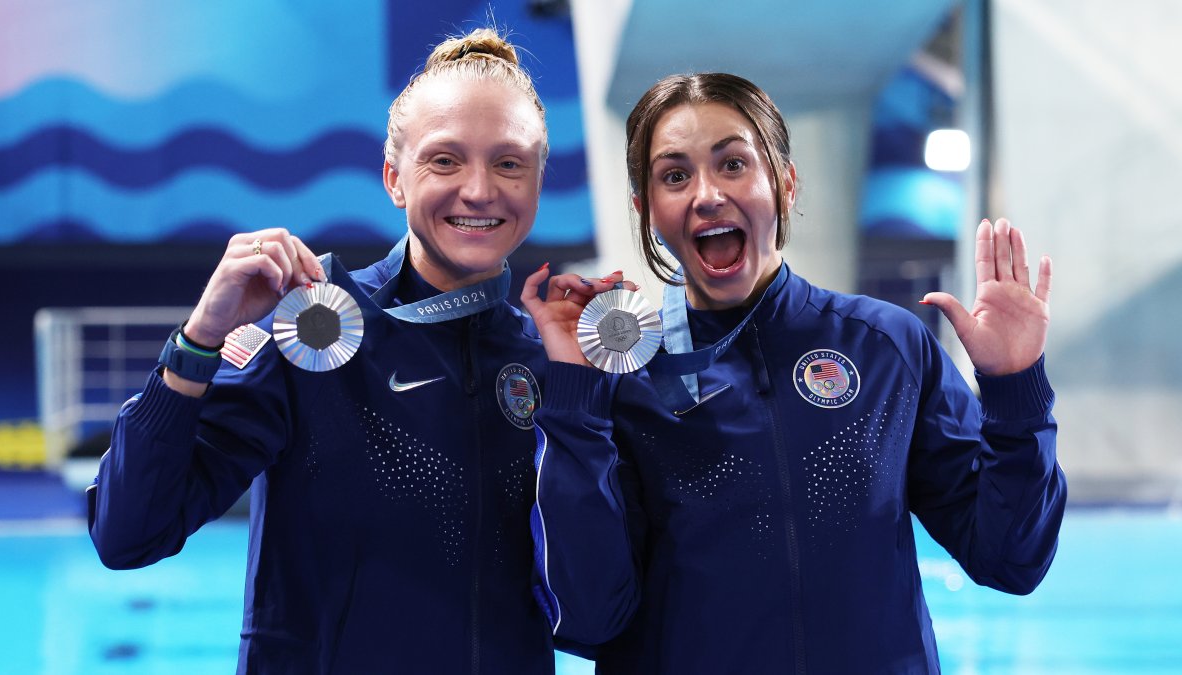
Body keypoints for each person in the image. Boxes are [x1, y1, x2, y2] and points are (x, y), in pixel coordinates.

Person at [88, 28, 623, 674]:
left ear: (538, 180)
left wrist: (576, 397)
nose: (479, 190)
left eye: (509, 162)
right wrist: (198, 339)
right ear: (395, 178)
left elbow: (594, 616)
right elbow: (127, 533)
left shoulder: (549, 362)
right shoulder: (313, 325)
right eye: (445, 160)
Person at [522, 72, 1066, 674]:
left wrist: (1015, 387)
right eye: (675, 176)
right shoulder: (622, 380)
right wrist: (573, 398)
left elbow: (1012, 559)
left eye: (733, 164)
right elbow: (588, 615)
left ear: (784, 183)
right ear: (646, 210)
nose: (706, 194)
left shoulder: (885, 347)